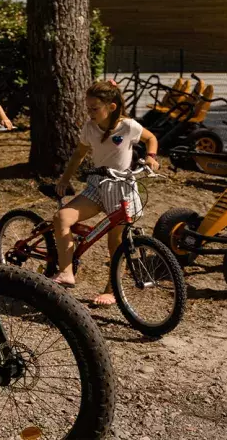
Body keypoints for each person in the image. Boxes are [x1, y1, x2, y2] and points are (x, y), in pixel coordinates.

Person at [52, 80, 160, 306]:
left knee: (116, 245)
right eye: (88, 108)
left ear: (111, 107)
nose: (89, 113)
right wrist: (64, 178)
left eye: (94, 108)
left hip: (121, 188)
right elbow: (78, 155)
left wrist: (151, 156)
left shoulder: (128, 126)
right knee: (62, 217)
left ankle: (112, 290)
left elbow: (151, 138)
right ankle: (66, 271)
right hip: (96, 186)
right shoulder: (90, 128)